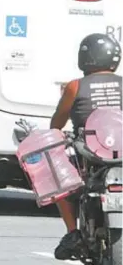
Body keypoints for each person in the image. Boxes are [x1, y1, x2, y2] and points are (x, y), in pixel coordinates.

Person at [49, 33, 122, 260]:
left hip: (90, 153)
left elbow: (57, 123)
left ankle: (72, 233)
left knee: (58, 182)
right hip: (120, 151)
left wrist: (57, 134)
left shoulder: (75, 86)